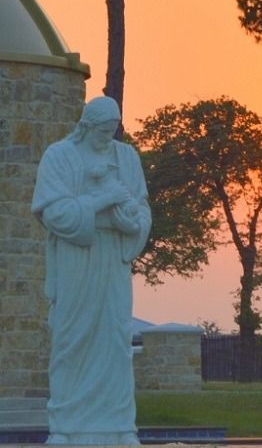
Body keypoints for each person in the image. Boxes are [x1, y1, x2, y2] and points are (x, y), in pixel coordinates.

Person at [31, 96, 152, 445]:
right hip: (76, 259)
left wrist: (131, 223)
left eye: (112, 131)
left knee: (115, 340)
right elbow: (55, 214)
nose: (107, 137)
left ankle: (119, 428)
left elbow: (142, 209)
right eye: (101, 131)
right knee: (72, 337)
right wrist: (102, 201)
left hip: (113, 259)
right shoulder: (59, 156)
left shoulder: (126, 158)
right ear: (85, 126)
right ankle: (66, 428)